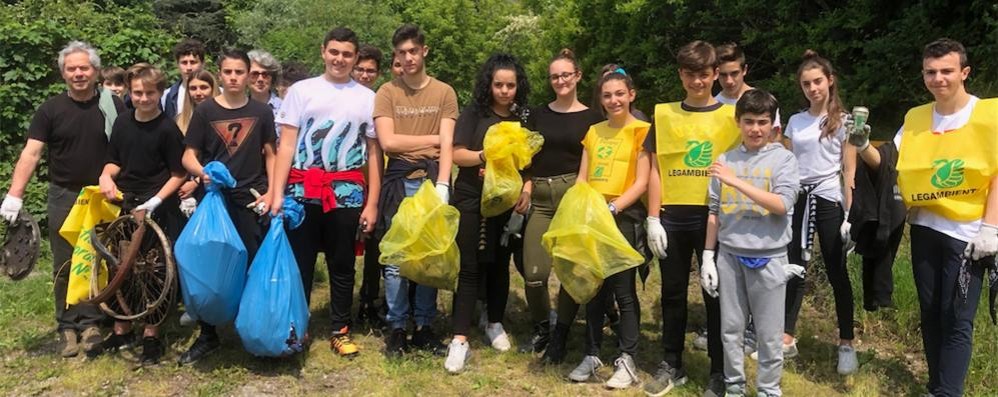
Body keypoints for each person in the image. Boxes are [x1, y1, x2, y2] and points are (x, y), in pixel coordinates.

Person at [852, 38, 997, 397]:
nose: (938, 78)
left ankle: (949, 392)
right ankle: (936, 386)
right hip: (925, 228)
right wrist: (862, 146)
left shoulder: (990, 115)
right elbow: (888, 164)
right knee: (931, 313)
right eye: (931, 72)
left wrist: (992, 228)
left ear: (964, 72)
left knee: (958, 318)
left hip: (969, 234)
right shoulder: (916, 117)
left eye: (947, 71)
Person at [1, 41, 124, 358]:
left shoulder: (112, 106)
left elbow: (129, 146)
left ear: (95, 71)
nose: (78, 73)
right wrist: (15, 194)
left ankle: (95, 322)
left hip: (101, 197)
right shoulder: (50, 109)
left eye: (84, 68)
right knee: (65, 262)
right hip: (64, 194)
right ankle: (68, 327)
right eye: (72, 69)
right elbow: (32, 152)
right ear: (63, 73)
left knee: (100, 259)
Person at [269, 27, 380, 358]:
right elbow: (286, 145)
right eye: (334, 52)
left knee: (342, 263)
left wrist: (372, 202)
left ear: (355, 57)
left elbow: (374, 154)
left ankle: (340, 328)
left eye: (347, 54)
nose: (340, 59)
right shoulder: (302, 92)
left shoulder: (367, 98)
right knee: (300, 263)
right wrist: (276, 193)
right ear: (323, 52)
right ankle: (298, 327)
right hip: (302, 191)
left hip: (346, 193)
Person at [643, 40, 738, 397]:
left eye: (703, 74)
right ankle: (672, 362)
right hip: (673, 215)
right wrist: (653, 217)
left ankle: (718, 368)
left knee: (717, 294)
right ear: (680, 75)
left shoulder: (732, 116)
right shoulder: (664, 114)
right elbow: (655, 169)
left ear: (715, 74)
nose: (697, 82)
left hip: (716, 217)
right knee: (672, 292)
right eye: (690, 74)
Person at [178, 48, 277, 365]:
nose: (234, 77)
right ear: (219, 74)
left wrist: (273, 192)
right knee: (212, 265)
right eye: (228, 72)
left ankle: (251, 329)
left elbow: (271, 155)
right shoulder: (206, 111)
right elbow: (188, 156)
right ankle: (208, 334)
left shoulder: (261, 112)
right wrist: (203, 172)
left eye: (240, 72)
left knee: (251, 262)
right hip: (216, 200)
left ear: (249, 75)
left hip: (251, 198)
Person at [704, 89, 798, 397]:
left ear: (773, 126)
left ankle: (768, 390)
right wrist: (708, 255)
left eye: (762, 122)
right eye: (748, 121)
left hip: (769, 258)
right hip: (729, 256)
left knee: (769, 336)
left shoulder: (783, 159)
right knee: (730, 330)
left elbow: (782, 204)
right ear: (738, 122)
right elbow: (714, 211)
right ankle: (734, 388)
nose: (755, 129)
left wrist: (736, 182)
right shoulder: (725, 160)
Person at [374, 24, 457, 358]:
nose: (407, 58)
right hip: (399, 181)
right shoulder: (387, 92)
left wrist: (443, 185)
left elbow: (450, 143)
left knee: (428, 257)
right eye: (401, 53)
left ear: (425, 51)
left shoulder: (444, 93)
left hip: (431, 181)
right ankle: (396, 328)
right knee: (397, 258)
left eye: (412, 51)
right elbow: (389, 142)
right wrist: (434, 139)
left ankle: (423, 327)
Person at [564, 69, 650, 390]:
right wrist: (583, 210)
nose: (613, 100)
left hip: (623, 218)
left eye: (619, 94)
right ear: (600, 99)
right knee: (594, 290)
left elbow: (642, 181)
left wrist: (613, 208)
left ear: (631, 94)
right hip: (593, 219)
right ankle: (592, 353)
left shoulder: (642, 131)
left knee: (624, 291)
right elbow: (582, 178)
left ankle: (627, 358)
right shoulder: (594, 131)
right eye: (606, 95)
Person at [443, 53, 530, 373]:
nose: (505, 91)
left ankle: (494, 322)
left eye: (510, 85)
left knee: (499, 266)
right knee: (469, 268)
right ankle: (459, 340)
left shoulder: (523, 116)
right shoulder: (474, 113)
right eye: (499, 85)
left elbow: (531, 162)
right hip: (471, 199)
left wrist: (528, 189)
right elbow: (456, 154)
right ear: (488, 85)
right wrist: (484, 155)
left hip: (507, 203)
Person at [97, 63, 187, 365]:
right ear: (130, 92)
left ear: (160, 93)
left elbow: (178, 173)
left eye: (150, 93)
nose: (144, 98)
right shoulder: (122, 124)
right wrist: (106, 177)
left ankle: (152, 334)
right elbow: (114, 161)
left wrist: (157, 200)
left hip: (157, 206)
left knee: (155, 271)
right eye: (138, 93)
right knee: (122, 265)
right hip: (127, 204)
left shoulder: (167, 129)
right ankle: (122, 329)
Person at [521, 49, 604, 363]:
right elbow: (525, 156)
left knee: (570, 272)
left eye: (566, 75)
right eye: (555, 76)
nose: (560, 81)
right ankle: (543, 326)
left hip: (573, 197)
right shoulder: (536, 115)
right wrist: (527, 183)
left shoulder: (594, 118)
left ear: (578, 76)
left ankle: (561, 335)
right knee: (534, 274)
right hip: (541, 200)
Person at [781, 50, 858, 374]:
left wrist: (850, 216)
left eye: (817, 82)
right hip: (798, 198)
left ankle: (846, 343)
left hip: (828, 199)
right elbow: (784, 163)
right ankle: (786, 336)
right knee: (794, 269)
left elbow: (850, 172)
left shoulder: (844, 121)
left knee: (836, 271)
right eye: (806, 83)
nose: (813, 88)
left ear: (830, 81)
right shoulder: (796, 121)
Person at [714, 43, 781, 137]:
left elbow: (775, 141)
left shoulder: (764, 101)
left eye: (734, 73)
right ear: (716, 74)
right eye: (723, 75)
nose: (729, 81)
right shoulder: (713, 106)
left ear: (744, 70)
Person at [162, 38, 206, 119]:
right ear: (177, 64)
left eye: (193, 62)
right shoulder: (166, 97)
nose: (188, 67)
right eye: (184, 63)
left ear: (203, 64)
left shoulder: (220, 93)